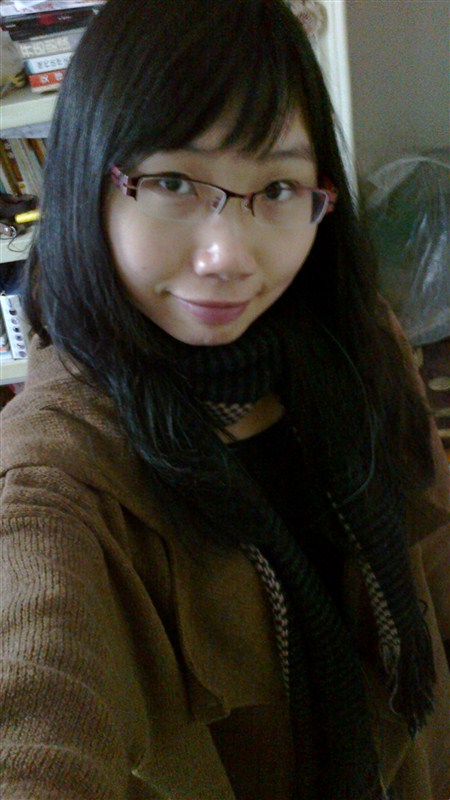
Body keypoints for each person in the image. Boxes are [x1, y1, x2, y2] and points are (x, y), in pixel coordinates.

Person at [1, 1, 449, 798]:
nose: (229, 256)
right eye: (173, 182)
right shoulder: (57, 471)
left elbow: (434, 549)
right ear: (87, 181)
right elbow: (35, 693)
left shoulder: (353, 342)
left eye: (277, 187)